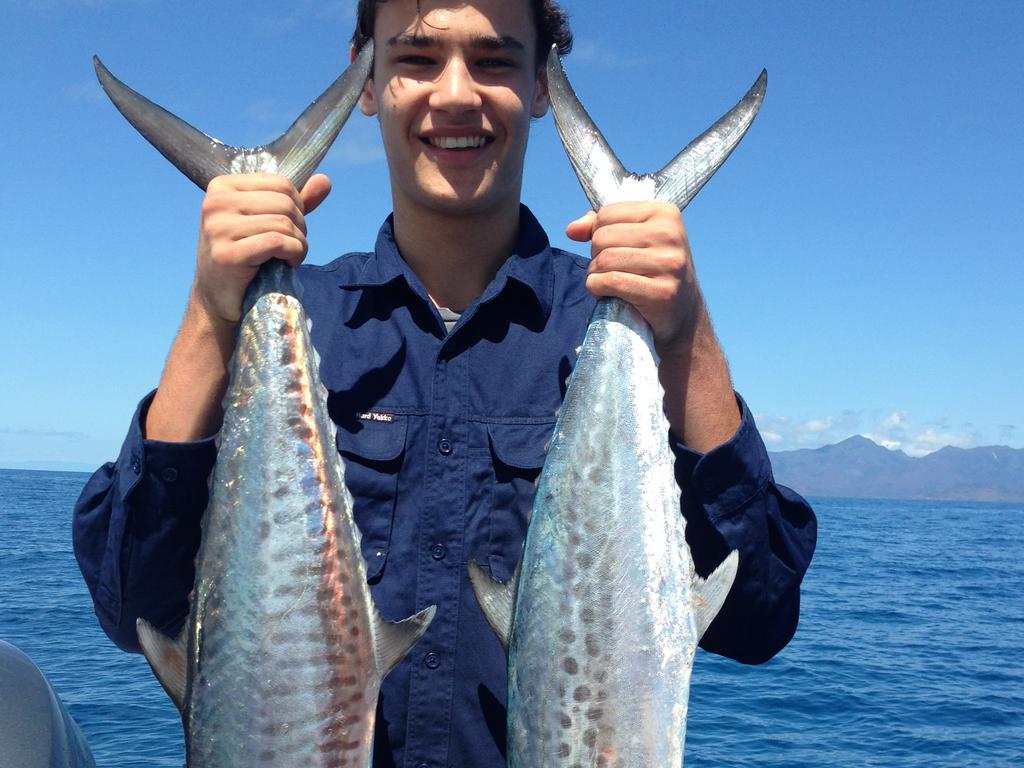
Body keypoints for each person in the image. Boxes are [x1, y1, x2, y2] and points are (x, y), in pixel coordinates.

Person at [73, 1, 817, 765]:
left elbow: (758, 615)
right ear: (367, 82)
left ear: (539, 86)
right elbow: (131, 603)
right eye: (416, 59)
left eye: (493, 60)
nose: (456, 92)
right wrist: (209, 313)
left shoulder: (611, 335)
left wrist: (685, 325)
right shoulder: (300, 322)